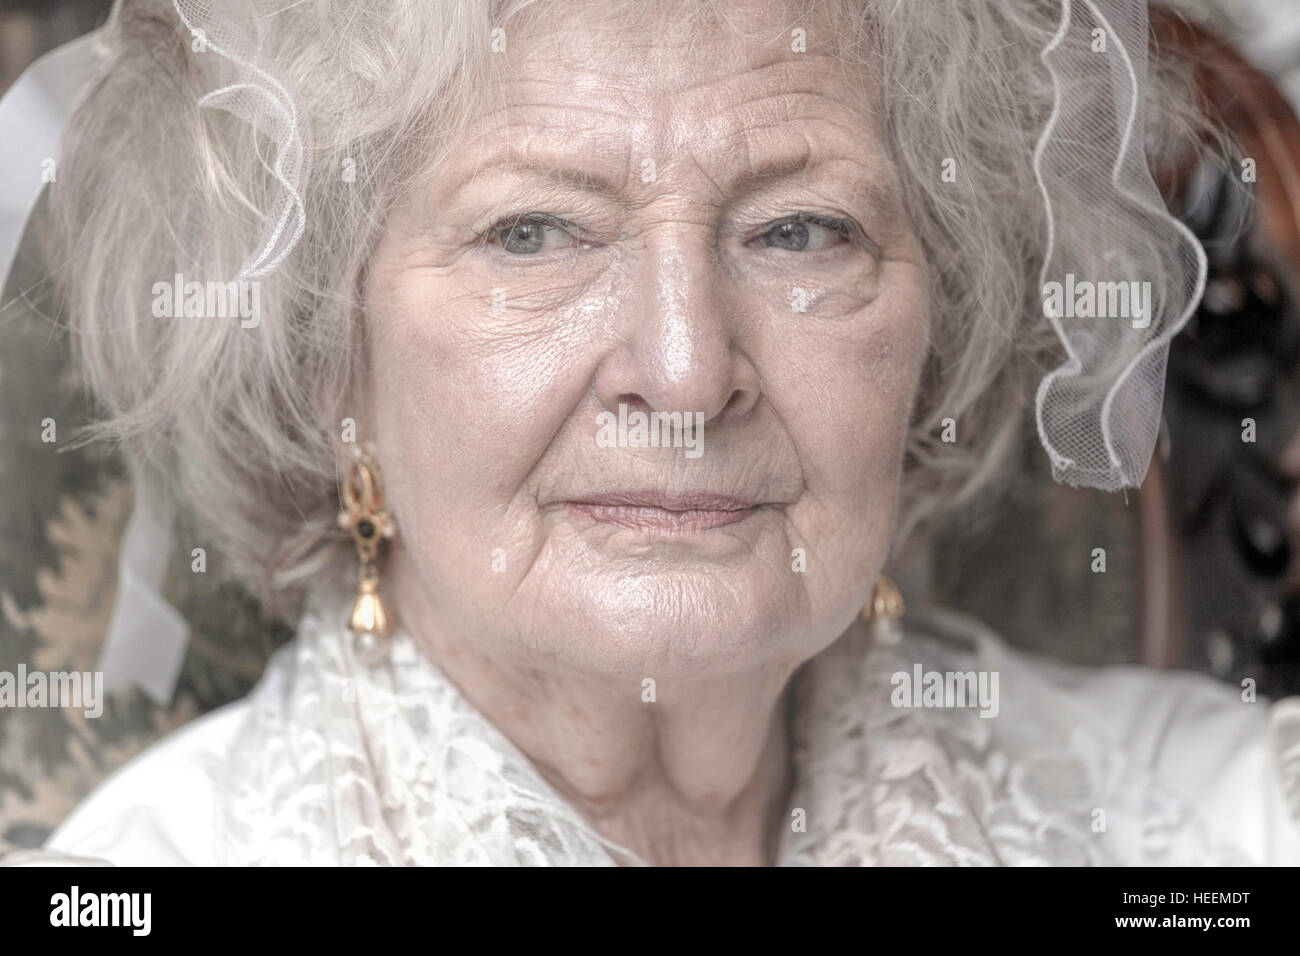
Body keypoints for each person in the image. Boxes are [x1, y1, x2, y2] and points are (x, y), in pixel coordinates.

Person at [5, 0, 1299, 866]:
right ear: (328, 368)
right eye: (534, 234)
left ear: (934, 344)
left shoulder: (1215, 824)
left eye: (802, 231)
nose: (685, 376)